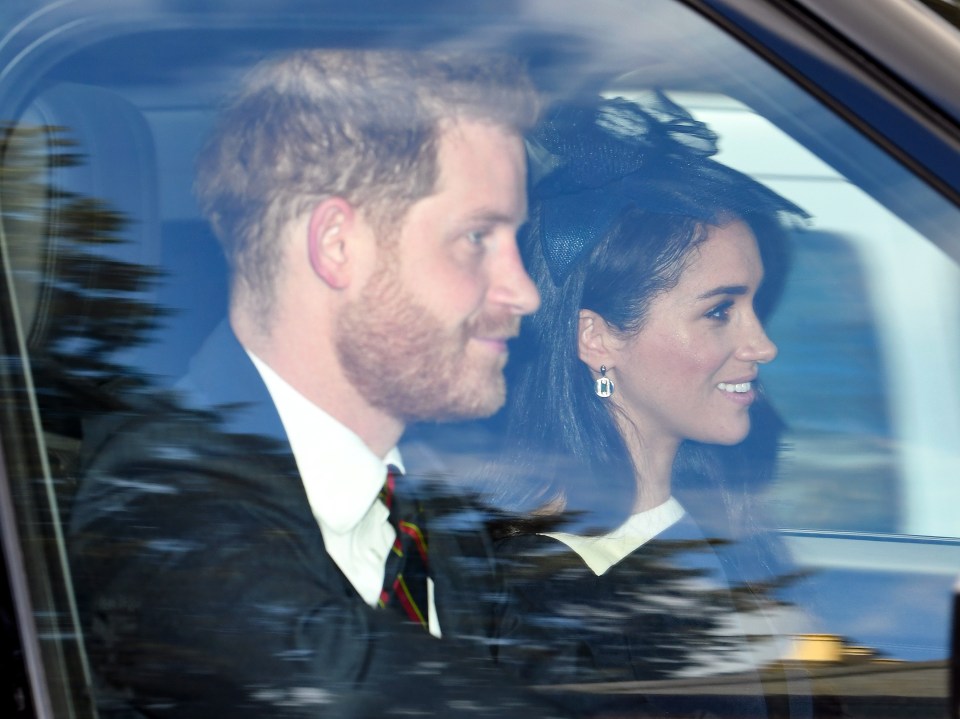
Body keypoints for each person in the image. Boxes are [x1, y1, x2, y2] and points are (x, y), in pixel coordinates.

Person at [67, 49, 557, 718]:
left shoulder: (439, 510)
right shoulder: (155, 498)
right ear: (337, 246)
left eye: (514, 239)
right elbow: (341, 689)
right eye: (477, 236)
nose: (524, 291)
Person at [489, 94, 811, 718]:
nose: (763, 345)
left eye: (754, 305)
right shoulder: (532, 605)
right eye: (720, 311)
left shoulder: (717, 519)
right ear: (598, 338)